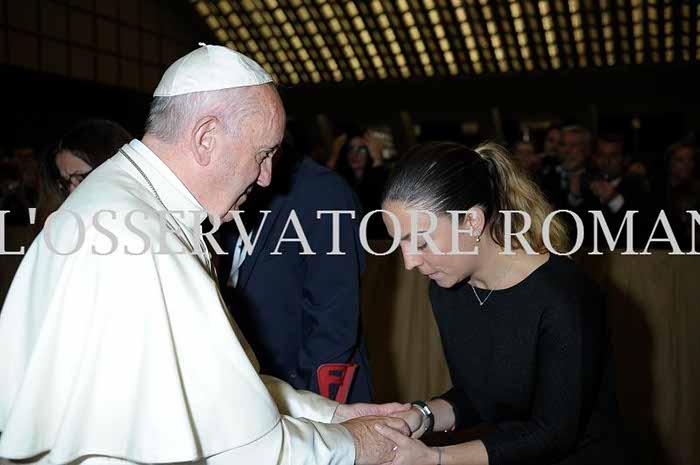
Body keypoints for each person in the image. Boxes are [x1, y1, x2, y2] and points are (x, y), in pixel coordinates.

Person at [0, 44, 409, 465]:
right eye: (263, 154)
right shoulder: (141, 237)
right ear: (206, 137)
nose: (267, 177)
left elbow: (212, 391)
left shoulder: (133, 203)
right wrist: (356, 444)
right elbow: (244, 447)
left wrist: (332, 412)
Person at [375, 142, 625, 464]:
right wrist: (420, 416)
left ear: (472, 222)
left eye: (421, 241)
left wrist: (435, 458)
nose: (409, 262)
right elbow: (479, 397)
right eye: (401, 243)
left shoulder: (565, 298)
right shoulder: (447, 287)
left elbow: (552, 435)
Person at [217, 138, 374, 403]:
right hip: (251, 390)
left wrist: (303, 406)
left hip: (306, 396)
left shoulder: (325, 193)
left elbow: (334, 322)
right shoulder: (235, 189)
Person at [331, 127, 389, 238]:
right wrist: (333, 158)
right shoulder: (339, 181)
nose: (355, 154)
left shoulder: (381, 178)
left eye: (362, 149)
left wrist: (377, 159)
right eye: (351, 149)